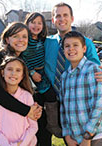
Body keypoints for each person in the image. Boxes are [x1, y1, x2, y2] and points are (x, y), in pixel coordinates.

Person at [0, 22, 42, 146]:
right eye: (16, 36)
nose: (21, 40)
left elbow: (24, 91)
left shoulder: (20, 61)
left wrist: (34, 107)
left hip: (20, 135)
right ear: (7, 39)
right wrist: (27, 110)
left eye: (24, 36)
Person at [59, 31, 102, 146]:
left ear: (84, 49)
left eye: (75, 45)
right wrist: (67, 135)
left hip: (98, 134)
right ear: (63, 50)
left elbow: (100, 105)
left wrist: (87, 136)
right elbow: (63, 108)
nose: (71, 49)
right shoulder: (64, 77)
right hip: (76, 137)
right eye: (67, 46)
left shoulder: (93, 70)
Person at [44, 2, 102, 94]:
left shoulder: (86, 43)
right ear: (53, 20)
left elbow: (97, 70)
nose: (62, 19)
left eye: (65, 15)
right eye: (58, 16)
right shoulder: (46, 43)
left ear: (72, 19)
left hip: (77, 98)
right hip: (51, 100)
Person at [21, 12, 61, 146]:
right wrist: (31, 72)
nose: (36, 25)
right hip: (31, 77)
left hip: (43, 75)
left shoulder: (42, 40)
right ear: (27, 23)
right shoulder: (24, 39)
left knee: (51, 98)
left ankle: (53, 124)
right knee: (37, 102)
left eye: (40, 23)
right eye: (33, 22)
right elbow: (21, 58)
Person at [0, 56, 38, 146]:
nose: (13, 73)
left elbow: (33, 126)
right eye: (10, 69)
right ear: (2, 72)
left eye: (18, 70)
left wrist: (22, 144)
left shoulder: (27, 96)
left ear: (22, 76)